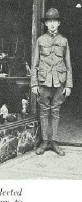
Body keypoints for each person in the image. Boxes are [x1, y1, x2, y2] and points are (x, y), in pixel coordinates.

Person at [31, 8, 73, 156]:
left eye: (55, 21)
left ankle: (54, 142)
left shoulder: (64, 41)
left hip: (59, 82)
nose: (52, 24)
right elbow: (35, 64)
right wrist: (34, 84)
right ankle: (44, 142)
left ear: (59, 23)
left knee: (55, 112)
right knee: (43, 112)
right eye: (49, 21)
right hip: (43, 82)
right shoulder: (40, 40)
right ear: (46, 24)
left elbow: (68, 65)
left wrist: (68, 85)